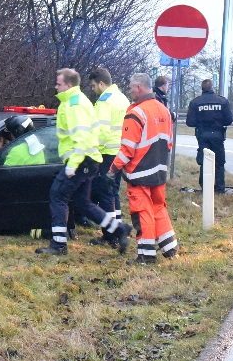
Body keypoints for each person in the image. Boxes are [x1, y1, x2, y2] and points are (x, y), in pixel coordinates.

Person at [35, 68, 132, 255]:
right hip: (90, 160)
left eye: (59, 83)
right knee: (83, 202)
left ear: (69, 84)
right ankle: (119, 229)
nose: (56, 86)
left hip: (80, 160)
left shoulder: (73, 104)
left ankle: (58, 245)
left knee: (58, 195)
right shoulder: (78, 101)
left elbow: (80, 136)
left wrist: (73, 164)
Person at [108, 73, 178, 264]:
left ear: (138, 87)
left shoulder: (136, 113)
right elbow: (169, 143)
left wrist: (113, 169)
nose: (130, 90)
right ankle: (170, 249)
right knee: (158, 208)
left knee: (142, 212)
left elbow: (127, 149)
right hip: (159, 170)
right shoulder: (164, 111)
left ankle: (146, 255)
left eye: (131, 87)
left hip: (139, 172)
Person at [87, 66, 130, 248]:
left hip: (106, 153)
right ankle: (118, 228)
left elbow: (101, 132)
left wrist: (91, 148)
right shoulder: (122, 98)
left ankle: (110, 235)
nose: (92, 89)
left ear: (102, 83)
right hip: (120, 152)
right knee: (113, 192)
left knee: (104, 193)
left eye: (93, 85)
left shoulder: (104, 102)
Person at [185, 78, 233, 194]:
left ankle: (206, 187)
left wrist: (201, 123)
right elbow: (229, 120)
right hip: (217, 135)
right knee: (219, 162)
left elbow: (190, 122)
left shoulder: (195, 102)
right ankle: (220, 188)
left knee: (204, 161)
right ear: (212, 88)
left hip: (203, 135)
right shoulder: (222, 101)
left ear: (202, 89)